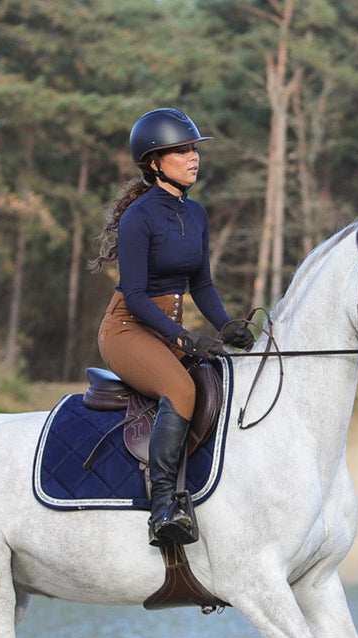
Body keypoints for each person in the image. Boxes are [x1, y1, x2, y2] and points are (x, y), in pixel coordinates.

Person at [90, 107, 255, 547]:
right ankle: (163, 506)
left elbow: (201, 284)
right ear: (154, 162)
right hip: (127, 328)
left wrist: (228, 326)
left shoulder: (196, 214)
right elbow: (139, 297)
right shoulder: (138, 218)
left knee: (220, 379)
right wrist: (184, 336)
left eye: (193, 149)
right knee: (181, 391)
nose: (192, 157)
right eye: (181, 150)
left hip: (163, 328)